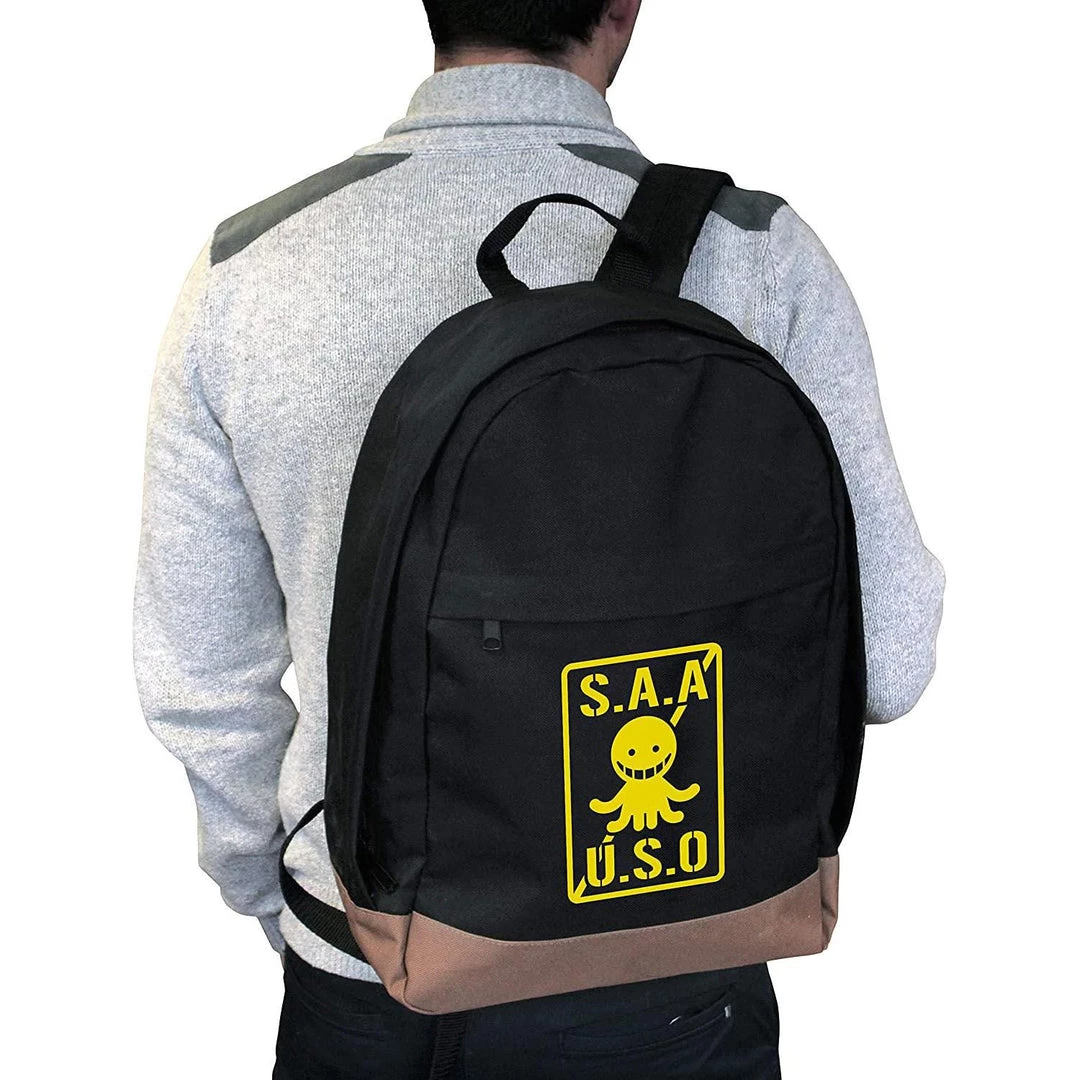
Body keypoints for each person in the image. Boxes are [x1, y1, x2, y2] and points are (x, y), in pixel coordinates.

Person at [132, 2, 946, 1076]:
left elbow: (200, 688)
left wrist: (296, 906)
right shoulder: (759, 256)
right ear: (623, 7)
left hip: (369, 971)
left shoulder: (247, 271)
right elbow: (889, 659)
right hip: (676, 968)